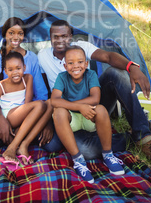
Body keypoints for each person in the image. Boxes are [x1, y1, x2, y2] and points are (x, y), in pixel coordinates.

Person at [38, 19, 151, 165]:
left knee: (116, 74)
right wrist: (49, 122)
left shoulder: (82, 48)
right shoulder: (43, 56)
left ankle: (144, 136)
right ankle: (131, 139)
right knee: (73, 149)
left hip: (93, 105)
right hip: (68, 113)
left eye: (64, 36)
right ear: (50, 38)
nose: (60, 40)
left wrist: (132, 67)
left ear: (71, 36)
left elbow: (108, 56)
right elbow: (48, 93)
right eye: (55, 36)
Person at [0, 17, 52, 153]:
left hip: (27, 112)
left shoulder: (31, 59)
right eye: (11, 33)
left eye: (20, 33)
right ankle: (15, 137)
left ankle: (16, 136)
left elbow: (41, 94)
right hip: (0, 111)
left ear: (24, 36)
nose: (15, 37)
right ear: (4, 34)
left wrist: (26, 117)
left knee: (53, 145)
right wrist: (0, 119)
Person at [51, 46, 125, 183]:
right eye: (71, 63)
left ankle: (108, 154)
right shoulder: (62, 77)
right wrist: (78, 106)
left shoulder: (90, 75)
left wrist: (79, 106)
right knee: (59, 112)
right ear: (65, 65)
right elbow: (54, 100)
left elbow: (95, 99)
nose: (75, 66)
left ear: (86, 63)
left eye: (80, 62)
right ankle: (78, 160)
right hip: (71, 119)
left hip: (88, 116)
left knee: (101, 109)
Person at [0, 51, 50, 165]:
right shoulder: (0, 85)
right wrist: (2, 131)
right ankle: (12, 147)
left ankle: (24, 144)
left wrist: (21, 126)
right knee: (40, 104)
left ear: (24, 67)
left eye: (18, 68)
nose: (15, 72)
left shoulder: (28, 78)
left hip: (21, 113)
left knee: (49, 104)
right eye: (10, 70)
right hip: (9, 117)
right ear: (5, 71)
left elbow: (27, 104)